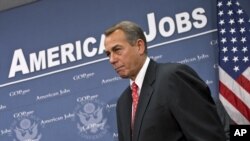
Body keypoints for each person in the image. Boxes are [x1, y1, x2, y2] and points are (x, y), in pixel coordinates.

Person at [104, 20, 226, 141]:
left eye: (117, 50)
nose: (112, 59)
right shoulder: (123, 103)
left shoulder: (173, 78)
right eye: (108, 54)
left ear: (139, 46)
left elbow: (208, 136)